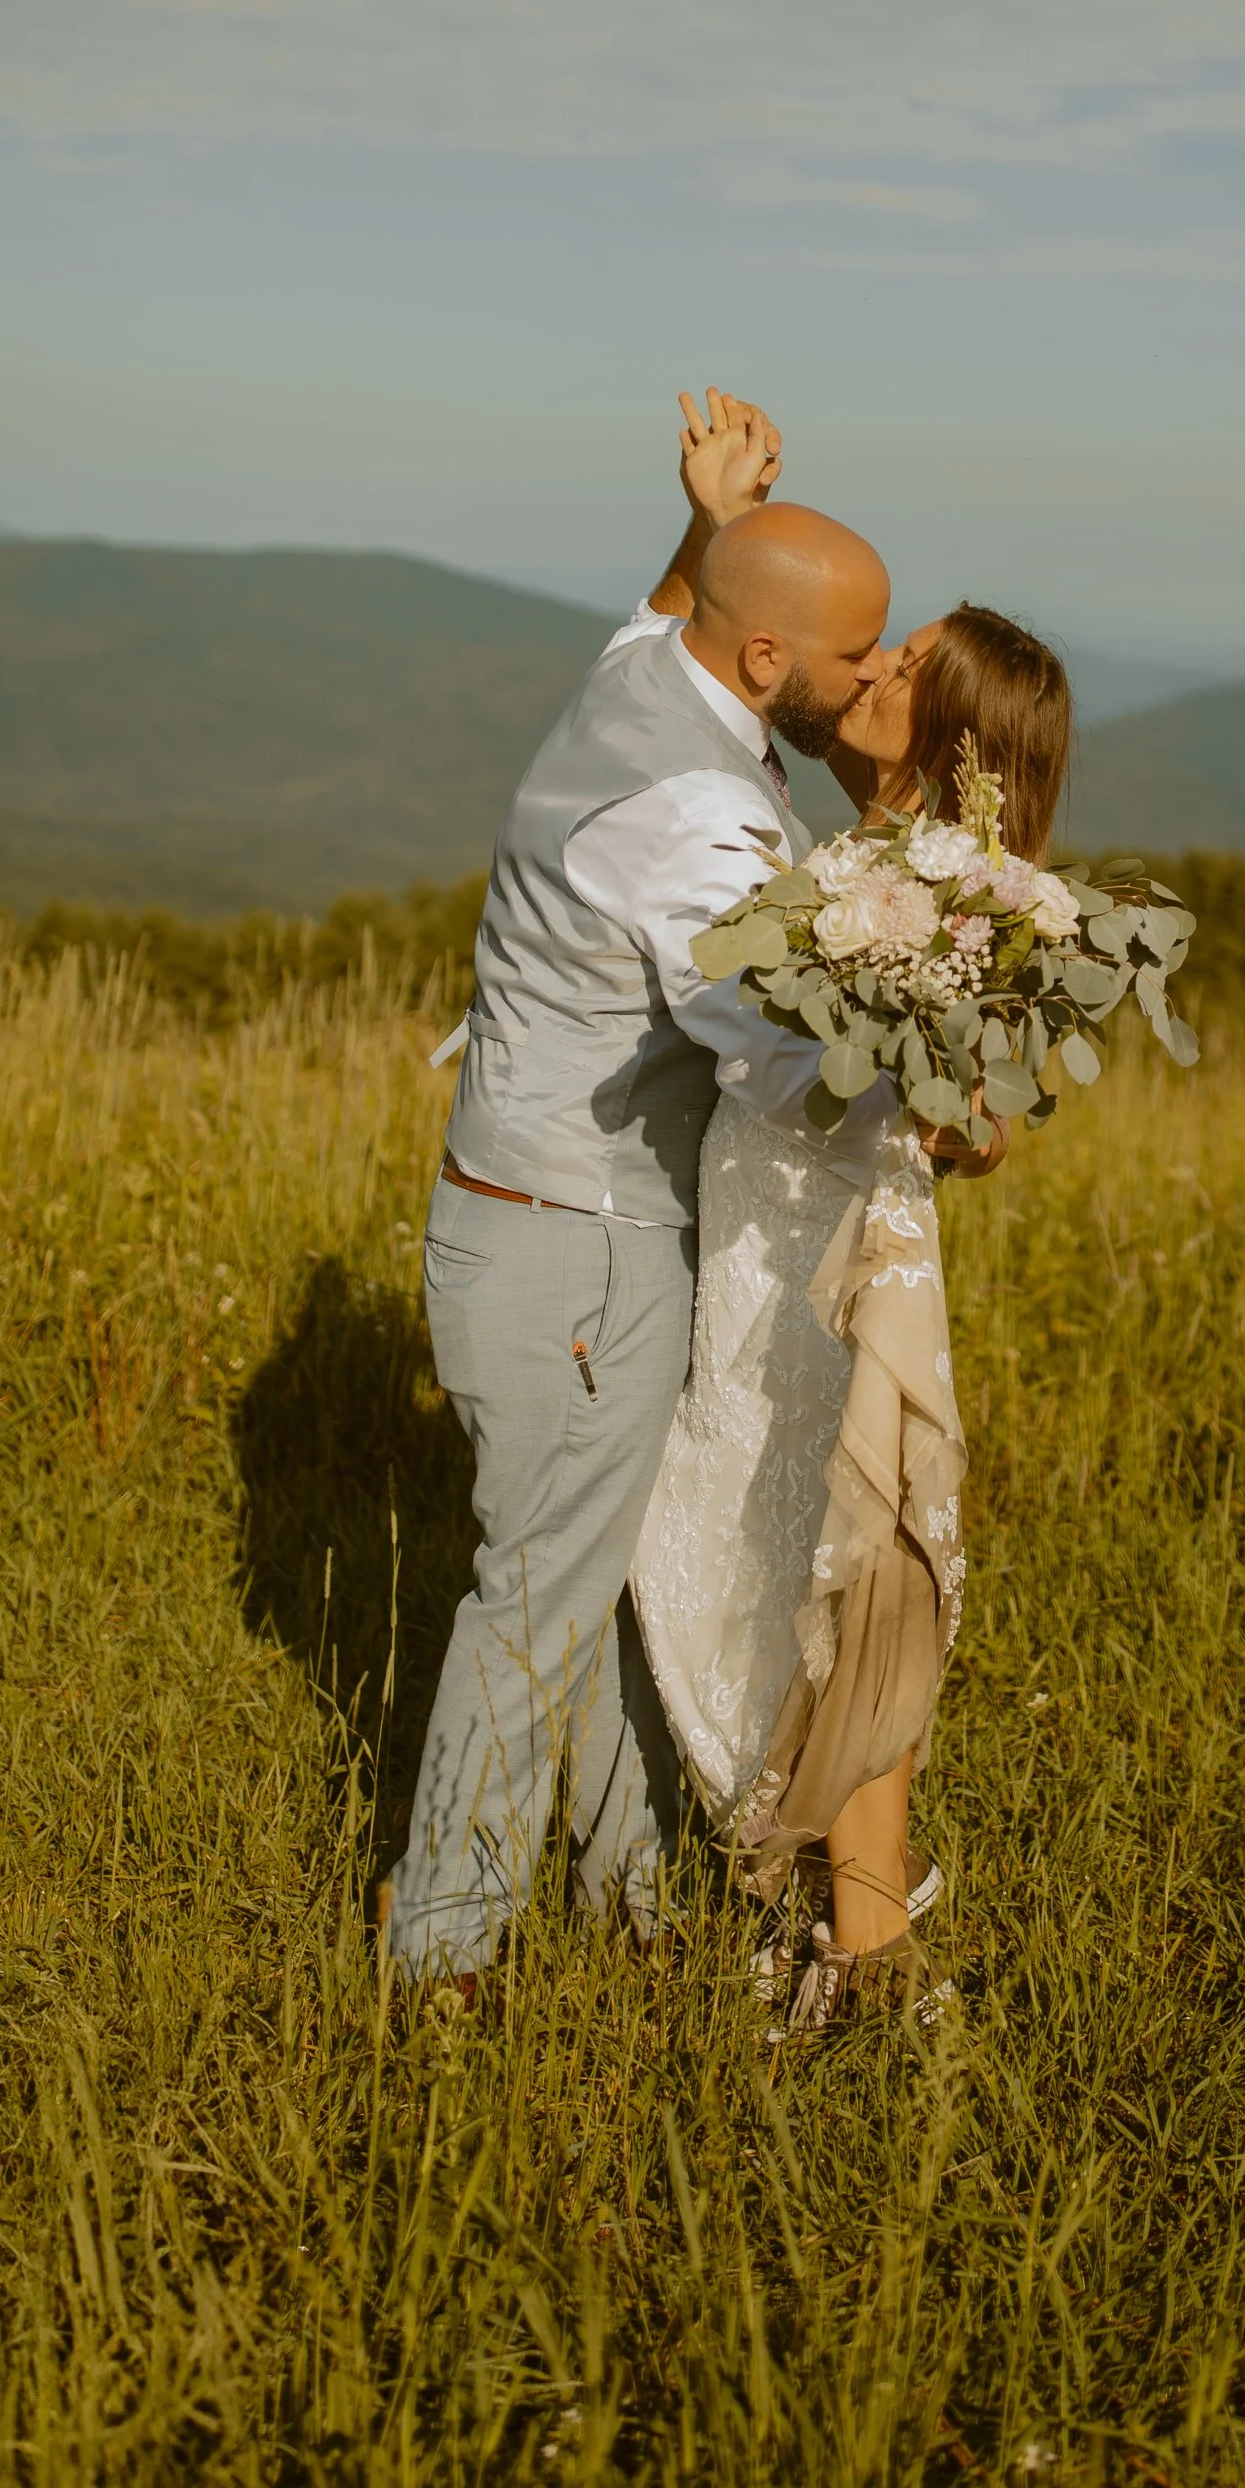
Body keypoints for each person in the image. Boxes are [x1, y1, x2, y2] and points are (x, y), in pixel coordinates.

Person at [380, 388, 900, 2001]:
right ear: (768, 659)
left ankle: (635, 1895)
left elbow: (678, 599)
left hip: (519, 1222)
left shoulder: (645, 673)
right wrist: (938, 1092)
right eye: (855, 658)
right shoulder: (701, 822)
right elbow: (783, 1070)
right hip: (585, 1249)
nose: (878, 676)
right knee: (537, 1595)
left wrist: (709, 515)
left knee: (585, 1568)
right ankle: (440, 1952)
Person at [632, 559, 1072, 2049]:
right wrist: (710, 537)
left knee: (852, 1559)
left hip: (843, 1249)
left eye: (908, 663)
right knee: (767, 1546)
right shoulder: (875, 849)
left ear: (951, 735)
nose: (873, 667)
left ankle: (868, 1941)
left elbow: (981, 1109)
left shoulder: (955, 888)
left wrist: (959, 1114)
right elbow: (682, 671)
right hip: (763, 1229)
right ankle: (848, 1906)